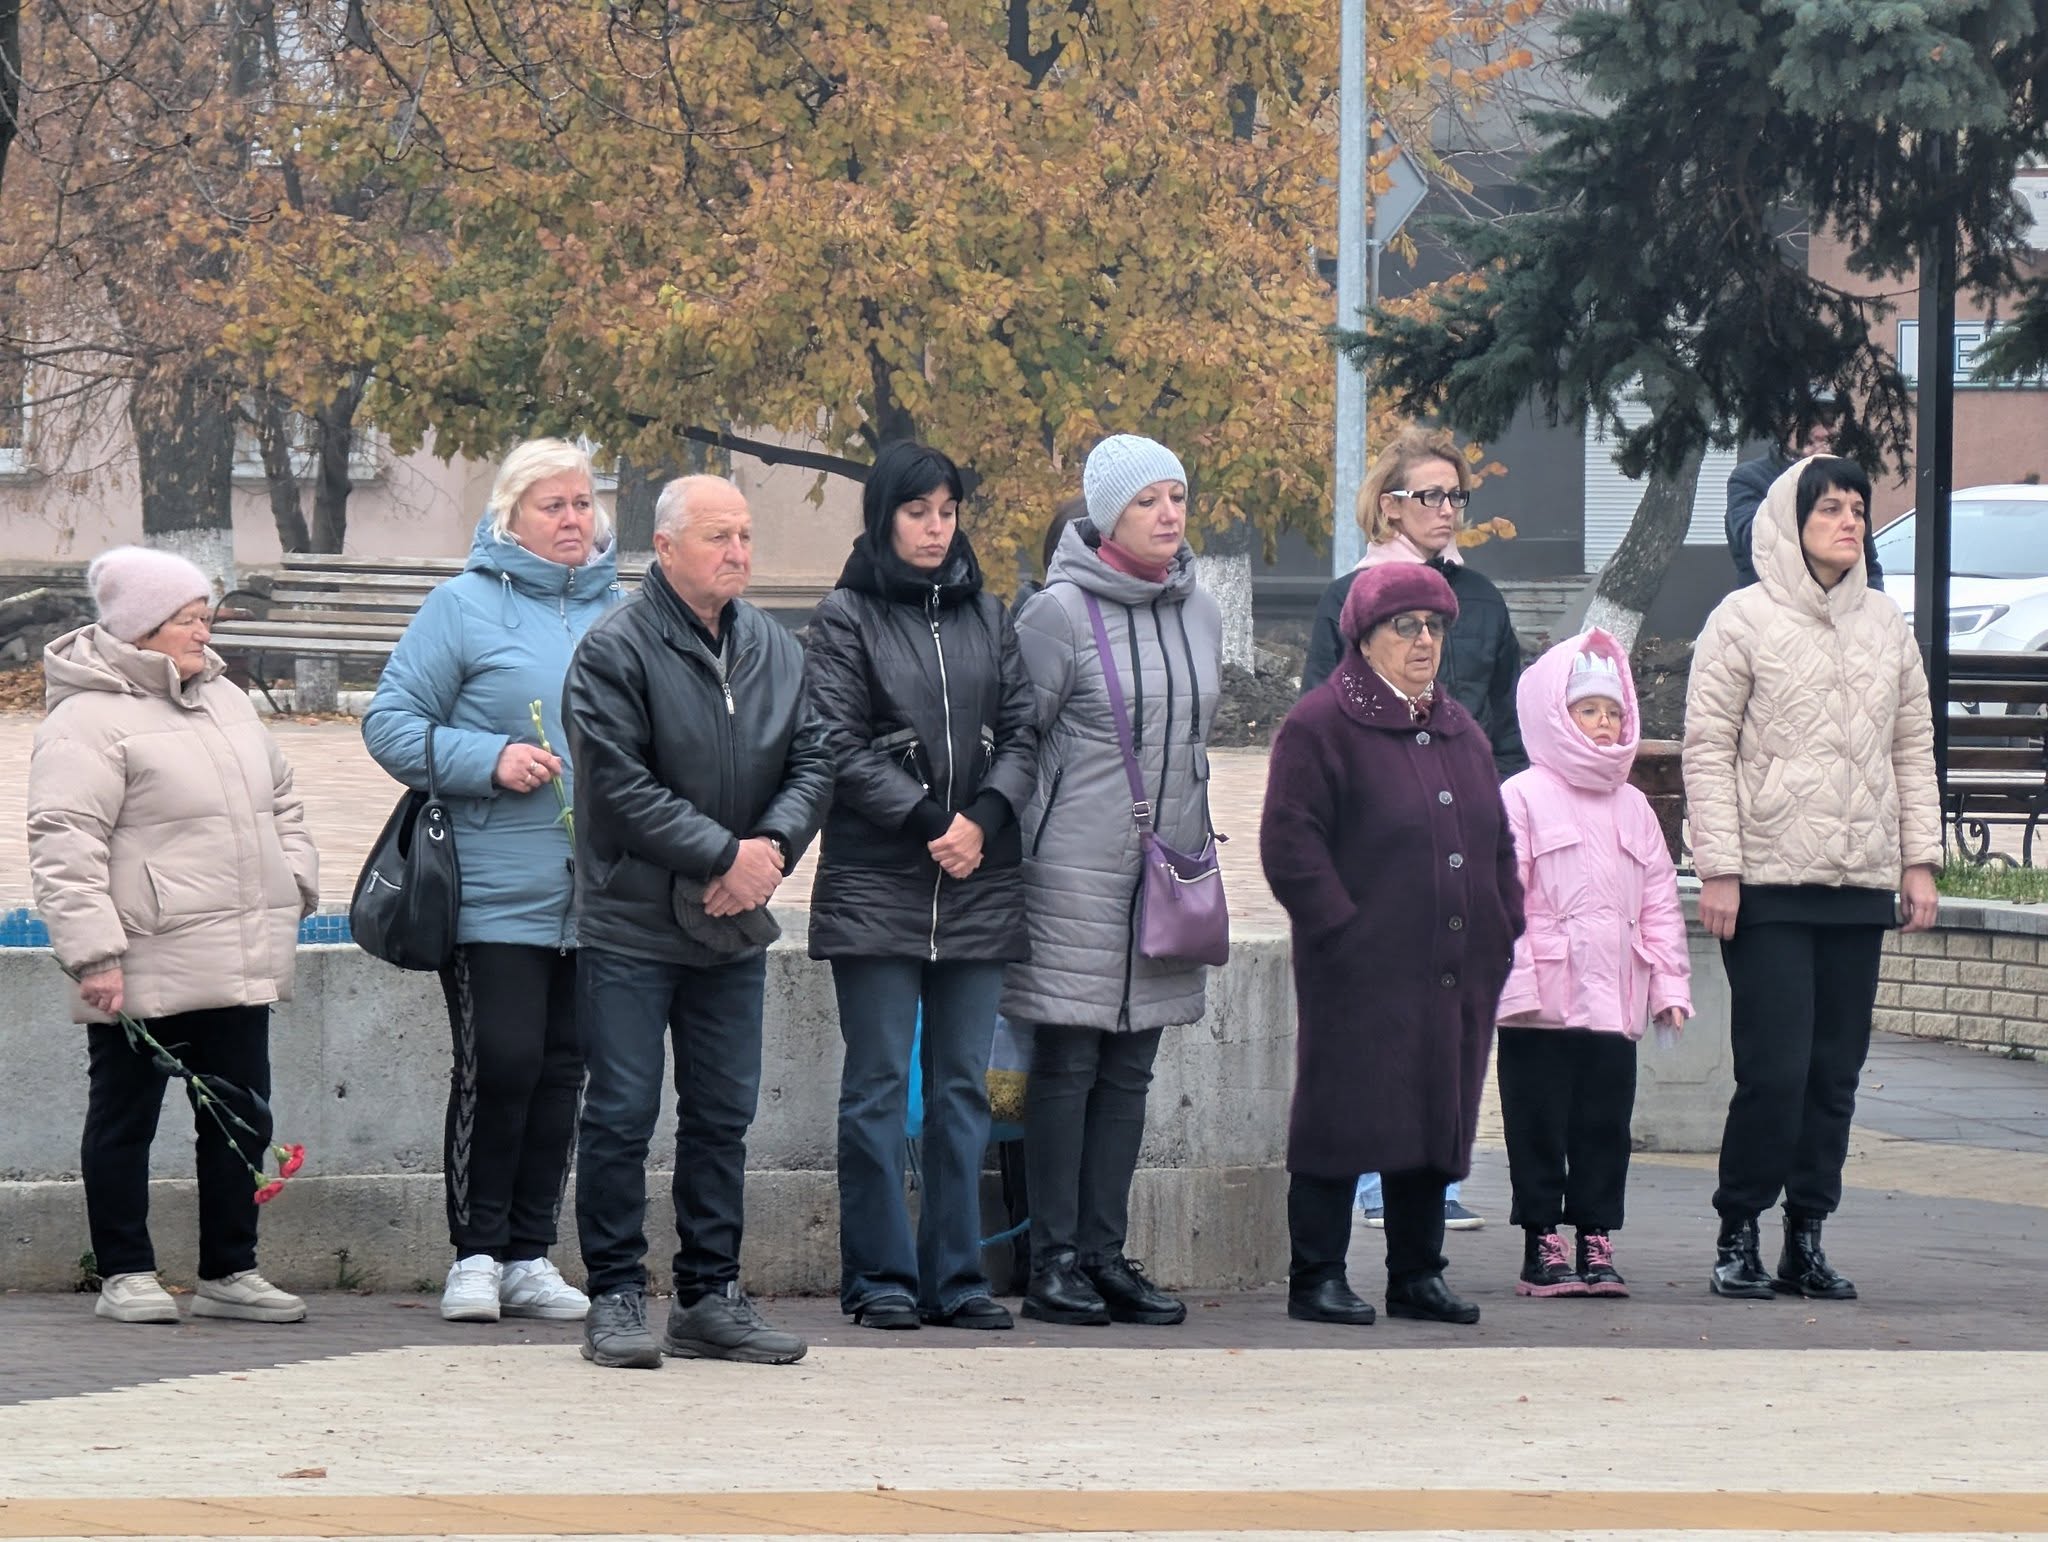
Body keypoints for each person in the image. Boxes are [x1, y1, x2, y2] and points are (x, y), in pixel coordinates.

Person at [565, 473, 832, 1369]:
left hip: (732, 921)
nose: (740, 553)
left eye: (748, 536)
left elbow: (816, 758)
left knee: (723, 1114)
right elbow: (619, 786)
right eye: (720, 537)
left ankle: (710, 1295)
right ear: (667, 547)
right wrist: (726, 855)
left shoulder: (773, 646)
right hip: (634, 921)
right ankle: (612, 1295)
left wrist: (771, 850)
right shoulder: (615, 649)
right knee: (623, 1114)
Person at [363, 437, 620, 1325]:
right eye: (553, 506)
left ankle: (528, 1254)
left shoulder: (619, 612)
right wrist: (487, 758)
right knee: (499, 1064)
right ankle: (473, 1252)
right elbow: (390, 724)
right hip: (490, 888)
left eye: (583, 503)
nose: (573, 520)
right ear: (510, 517)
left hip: (596, 896)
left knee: (563, 1072)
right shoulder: (462, 607)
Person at [28, 547, 319, 1325]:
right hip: (141, 954)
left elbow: (281, 799)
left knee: (242, 1111)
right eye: (191, 618)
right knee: (126, 1118)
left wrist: (293, 882)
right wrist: (93, 954)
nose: (205, 630)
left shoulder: (224, 697)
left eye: (204, 615)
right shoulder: (86, 717)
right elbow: (65, 842)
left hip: (236, 947)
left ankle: (231, 1269)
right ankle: (125, 1271)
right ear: (143, 627)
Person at [1686, 456, 1940, 1302]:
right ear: (1788, 523)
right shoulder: (1740, 621)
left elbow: (1913, 748)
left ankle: (1807, 1236)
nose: (1849, 521)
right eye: (1829, 508)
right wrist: (1719, 867)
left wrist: (1918, 860)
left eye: (1858, 508)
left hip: (1858, 885)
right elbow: (1708, 751)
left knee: (1834, 1074)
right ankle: (1738, 1232)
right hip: (1768, 888)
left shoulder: (1885, 624)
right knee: (1776, 1071)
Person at [803, 441, 1038, 1331]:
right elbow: (836, 742)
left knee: (961, 1090)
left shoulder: (990, 613)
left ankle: (958, 1277)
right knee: (872, 1089)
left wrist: (981, 816)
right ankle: (878, 1277)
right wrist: (928, 822)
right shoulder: (846, 616)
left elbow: (1023, 732)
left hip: (979, 880)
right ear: (883, 518)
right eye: (917, 512)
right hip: (879, 882)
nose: (935, 529)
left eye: (946, 511)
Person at [1261, 562, 1522, 1327]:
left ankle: (1416, 1273)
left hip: (1453, 969)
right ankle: (1317, 1276)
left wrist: (1503, 924)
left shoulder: (1459, 729)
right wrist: (1341, 929)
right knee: (1342, 1114)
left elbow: (1497, 841)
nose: (1423, 641)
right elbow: (1291, 844)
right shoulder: (1321, 724)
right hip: (1359, 967)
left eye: (1435, 627)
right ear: (1364, 637)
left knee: (1434, 1114)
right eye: (1404, 626)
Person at [1004, 434, 1223, 1328]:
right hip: (1075, 873)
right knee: (1068, 1063)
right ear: (1105, 515)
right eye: (1147, 502)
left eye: (1176, 497)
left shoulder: (1201, 611)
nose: (1168, 515)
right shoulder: (1057, 612)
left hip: (1169, 871)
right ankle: (1052, 1258)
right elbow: (1021, 741)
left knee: (1131, 1068)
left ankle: (1104, 1252)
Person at [1307, 426, 1522, 1230]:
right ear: (1389, 504)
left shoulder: (1485, 599)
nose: (1448, 509)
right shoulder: (1346, 599)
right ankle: (1369, 1178)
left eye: (1456, 495)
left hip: (1465, 837)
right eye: (1430, 494)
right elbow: (1318, 718)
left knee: (1451, 1015)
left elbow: (1505, 724)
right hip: (1379, 839)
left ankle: (1432, 1178)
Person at [1495, 629, 1692, 1300]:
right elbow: (1505, 901)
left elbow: (1660, 902)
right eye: (1589, 711)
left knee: (1605, 1123)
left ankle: (1597, 1236)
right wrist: (1515, 987)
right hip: (1542, 1004)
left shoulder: (1634, 806)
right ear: (1556, 715)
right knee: (1538, 1122)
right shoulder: (1521, 796)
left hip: (1614, 1000)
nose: (1605, 724)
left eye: (1614, 711)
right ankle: (1541, 1239)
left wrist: (1667, 985)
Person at [1725, 406, 1885, 589]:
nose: (1822, 432)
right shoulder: (1750, 478)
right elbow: (1754, 543)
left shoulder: (1844, 479)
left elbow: (1867, 562)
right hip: (1773, 607)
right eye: (1809, 423)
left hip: (1842, 609)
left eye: (1829, 423)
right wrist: (1806, 473)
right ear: (1782, 427)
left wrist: (1872, 605)